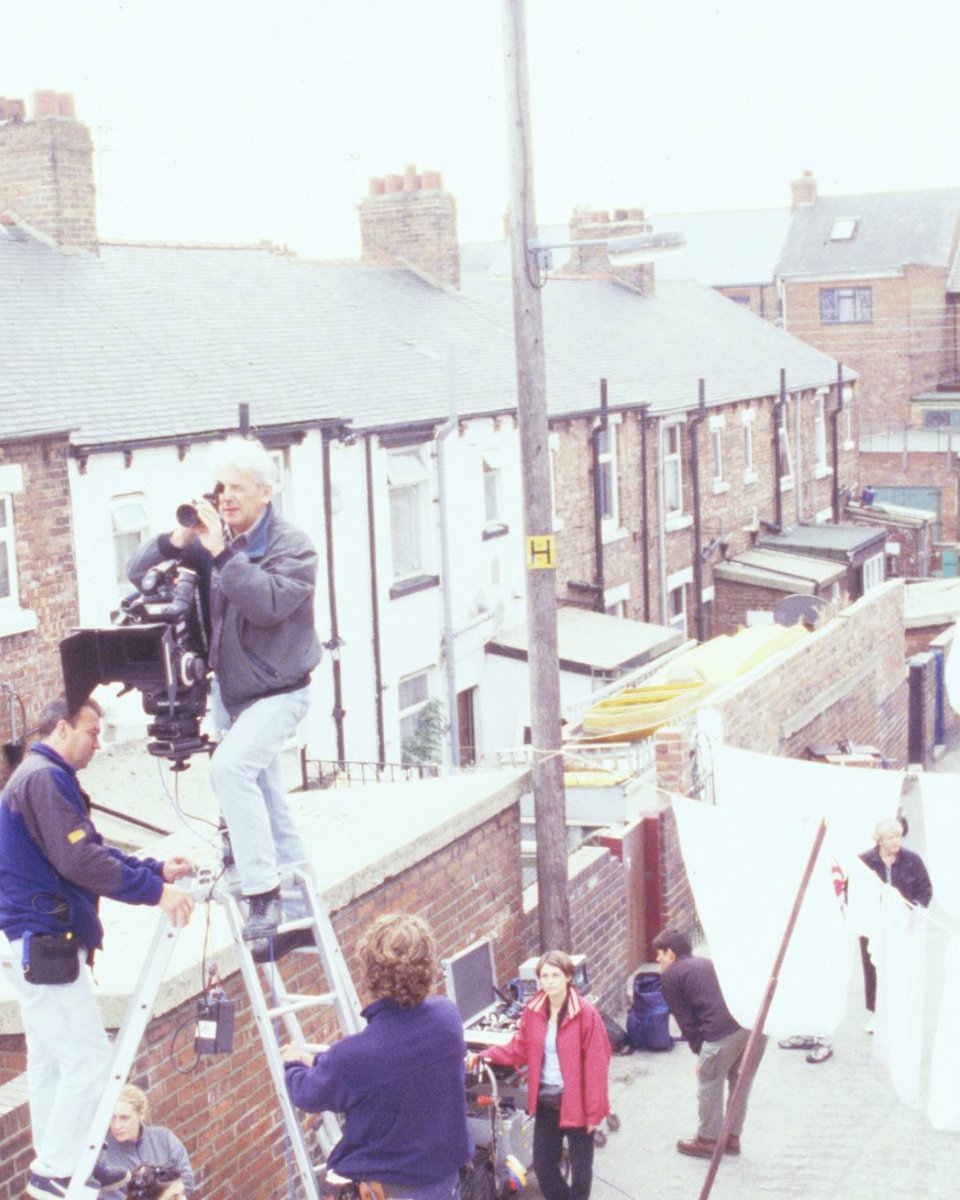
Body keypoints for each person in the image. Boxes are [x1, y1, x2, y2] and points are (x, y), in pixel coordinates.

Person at [128, 437, 321, 953]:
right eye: (221, 487)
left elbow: (267, 605)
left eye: (237, 487)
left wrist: (222, 552)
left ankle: (263, 893)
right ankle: (300, 921)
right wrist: (178, 538)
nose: (227, 497)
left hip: (280, 691)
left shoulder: (293, 547)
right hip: (231, 694)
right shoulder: (214, 540)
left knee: (230, 770)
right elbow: (138, 573)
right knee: (270, 799)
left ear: (266, 492)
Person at [0, 696, 195, 1200]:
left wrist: (153, 870)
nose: (98, 743)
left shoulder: (38, 777)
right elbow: (80, 860)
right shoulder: (44, 779)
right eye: (91, 732)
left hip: (36, 941)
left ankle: (61, 1161)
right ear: (61, 728)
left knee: (51, 1060)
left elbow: (87, 849)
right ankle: (58, 1168)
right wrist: (155, 892)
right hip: (47, 940)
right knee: (90, 1061)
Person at [282, 913, 473, 1200]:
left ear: (371, 975)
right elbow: (395, 1063)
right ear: (428, 967)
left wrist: (294, 1064)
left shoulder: (352, 1057)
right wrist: (320, 1063)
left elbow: (308, 1095)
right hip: (444, 1187)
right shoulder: (447, 1019)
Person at [475, 950, 611, 1200]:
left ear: (568, 977)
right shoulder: (533, 1011)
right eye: (544, 976)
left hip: (577, 1102)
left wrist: (595, 1111)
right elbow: (520, 1048)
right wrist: (486, 1056)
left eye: (555, 975)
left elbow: (597, 1066)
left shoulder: (586, 1014)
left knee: (581, 1171)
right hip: (547, 1099)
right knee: (543, 1165)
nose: (549, 982)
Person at [653, 928, 765, 1160]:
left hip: (723, 1030)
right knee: (740, 1081)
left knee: (709, 1082)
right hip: (754, 1023)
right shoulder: (705, 963)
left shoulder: (670, 976)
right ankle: (731, 1138)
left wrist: (701, 1056)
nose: (657, 959)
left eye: (660, 953)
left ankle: (707, 1141)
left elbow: (686, 1022)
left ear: (671, 954)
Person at [858, 815, 933, 1032]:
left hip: (903, 923)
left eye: (898, 836)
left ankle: (900, 1011)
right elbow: (855, 891)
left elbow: (925, 888)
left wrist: (914, 909)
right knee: (873, 968)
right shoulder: (865, 862)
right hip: (874, 923)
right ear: (879, 840)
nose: (896, 842)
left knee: (901, 967)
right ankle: (876, 1013)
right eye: (890, 838)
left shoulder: (912, 860)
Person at [100, 1085, 195, 1199]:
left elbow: (186, 1179)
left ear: (141, 1114)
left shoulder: (163, 1138)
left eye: (124, 1118)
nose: (117, 1125)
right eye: (112, 1118)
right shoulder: (102, 1156)